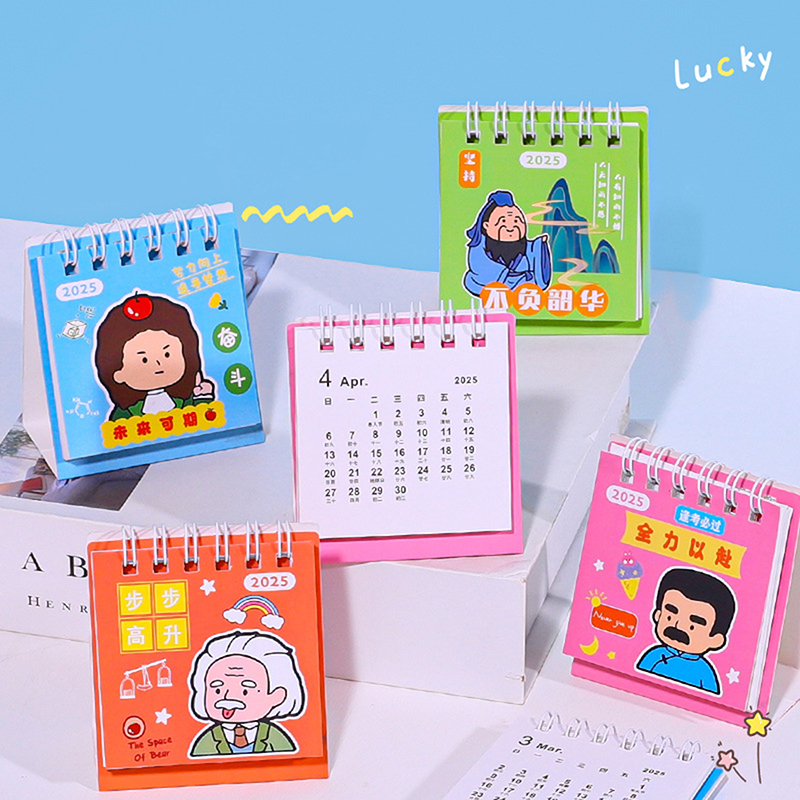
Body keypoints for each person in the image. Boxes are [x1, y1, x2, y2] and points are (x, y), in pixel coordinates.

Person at [94, 293, 215, 421]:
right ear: (118, 374)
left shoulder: (185, 400)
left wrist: (203, 397)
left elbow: (205, 418)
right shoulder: (126, 412)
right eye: (144, 360)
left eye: (167, 354)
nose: (158, 363)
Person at [188, 630, 307, 757]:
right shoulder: (209, 739)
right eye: (217, 690)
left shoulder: (274, 736)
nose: (227, 697)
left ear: (276, 696)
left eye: (245, 691)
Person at [636, 568, 736, 695]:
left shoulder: (704, 672)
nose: (679, 625)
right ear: (658, 615)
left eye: (693, 625)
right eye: (671, 615)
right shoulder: (654, 656)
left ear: (716, 640)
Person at [463, 190, 552, 296]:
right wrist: (504, 272)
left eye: (516, 221)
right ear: (486, 225)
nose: (510, 228)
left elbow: (532, 252)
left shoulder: (525, 246)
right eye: (503, 221)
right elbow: (481, 269)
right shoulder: (478, 247)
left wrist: (539, 245)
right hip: (489, 284)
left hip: (522, 282)